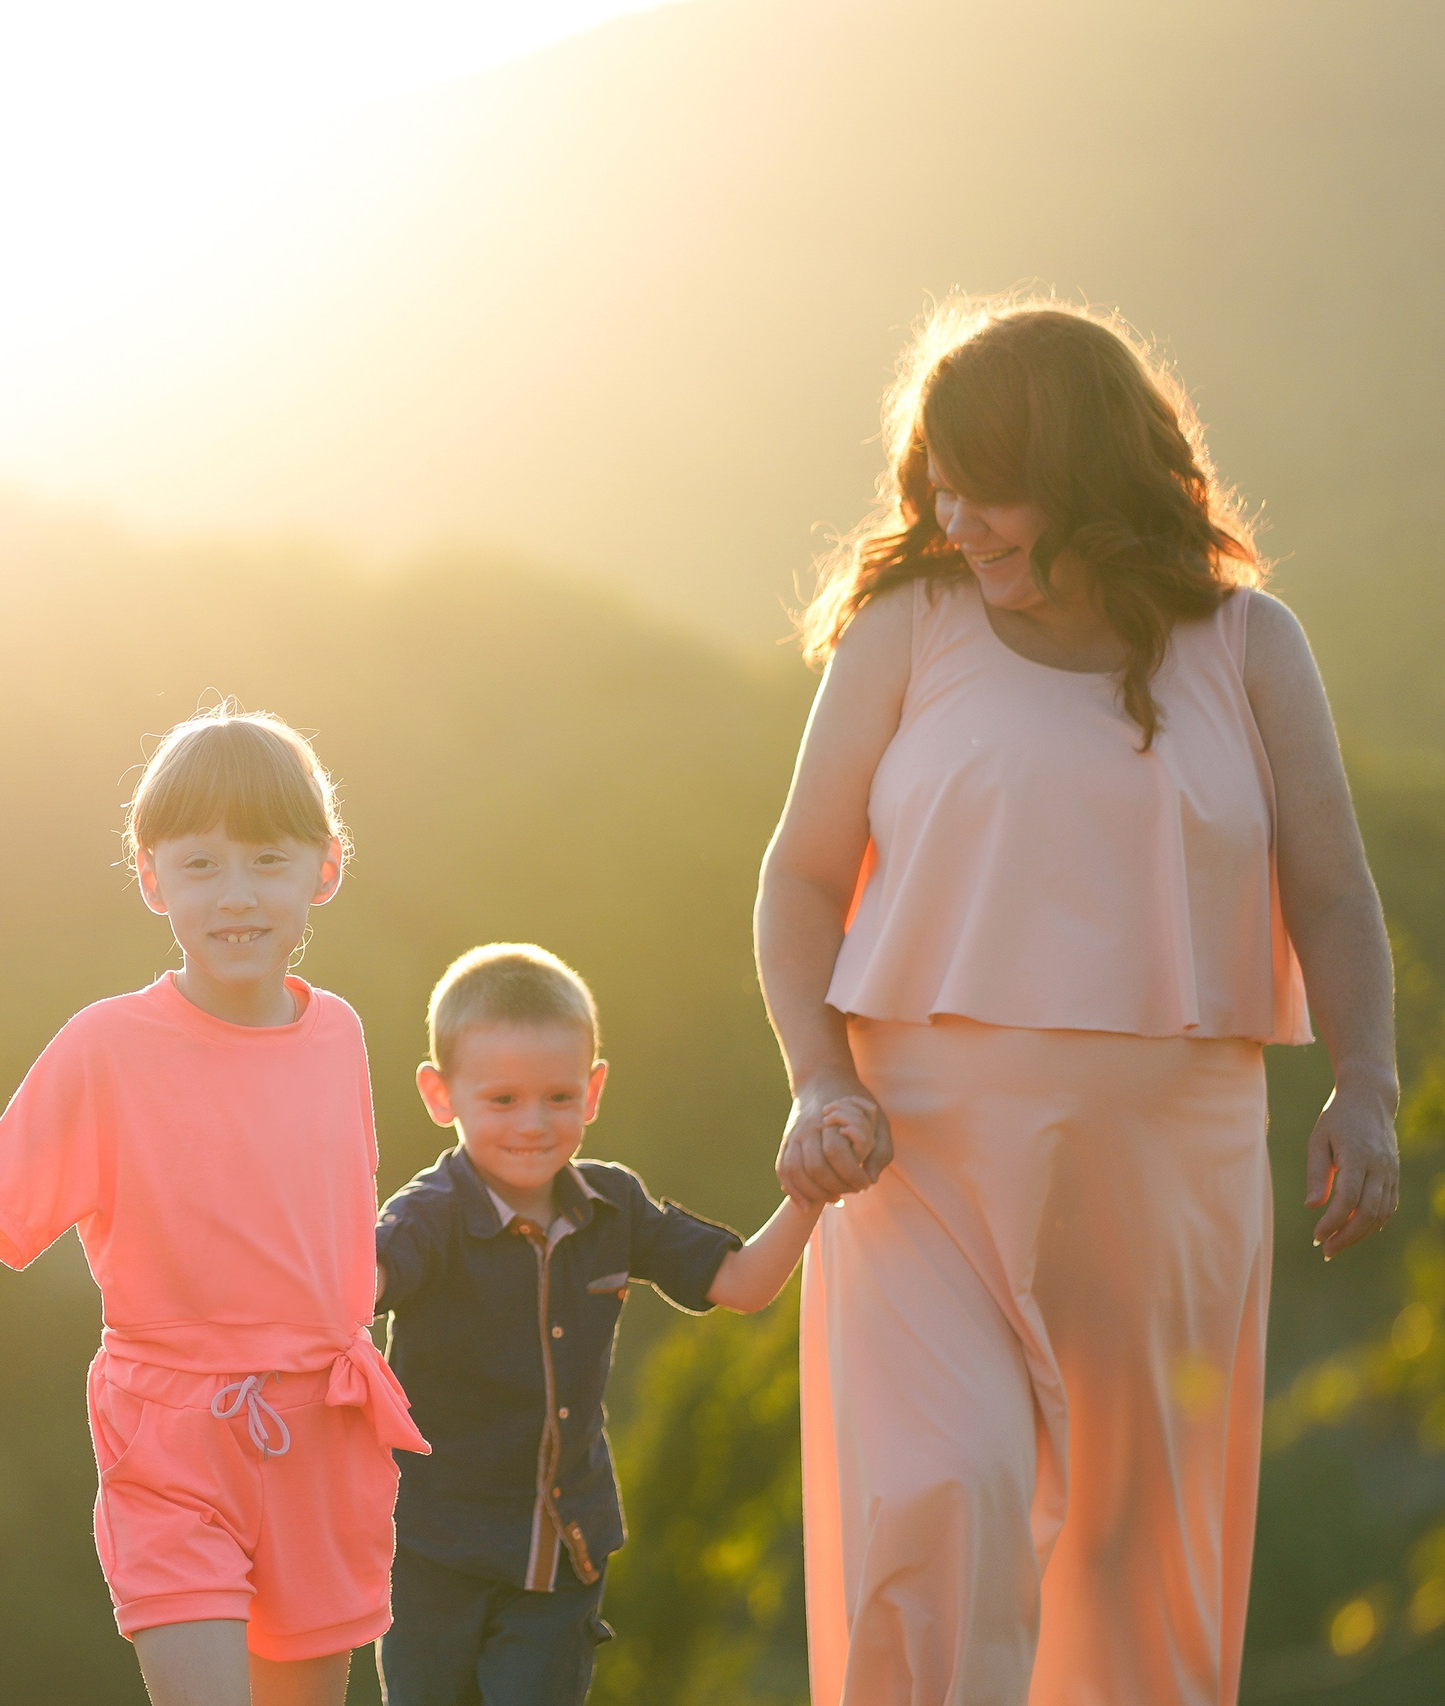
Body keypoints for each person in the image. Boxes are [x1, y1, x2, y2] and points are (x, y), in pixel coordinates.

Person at [756, 298, 1401, 1704]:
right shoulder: (906, 628)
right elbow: (800, 878)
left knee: (1132, 1574)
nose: (954, 512)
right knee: (942, 1493)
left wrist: (1367, 1083)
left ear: (1096, 474)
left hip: (1171, 1168)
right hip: (918, 1153)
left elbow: (1335, 894)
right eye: (937, 477)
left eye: (992, 484)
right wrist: (819, 1073)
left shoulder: (1250, 645)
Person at [0, 706, 421, 1706]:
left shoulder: (339, 1032)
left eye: (267, 858)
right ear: (150, 875)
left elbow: (322, 1232)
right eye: (201, 864)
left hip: (321, 1437)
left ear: (324, 869)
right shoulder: (107, 1046)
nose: (237, 893)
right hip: (170, 1442)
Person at [372, 943, 846, 1706]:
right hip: (436, 1558)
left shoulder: (613, 1207)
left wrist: (810, 1194)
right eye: (502, 1100)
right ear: (441, 1094)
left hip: (566, 1558)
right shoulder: (428, 1215)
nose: (533, 1124)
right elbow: (359, 1285)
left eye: (559, 1097)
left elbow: (744, 1282)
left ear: (593, 1092)